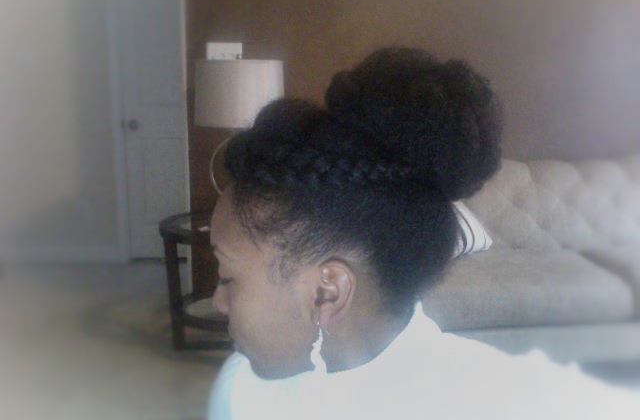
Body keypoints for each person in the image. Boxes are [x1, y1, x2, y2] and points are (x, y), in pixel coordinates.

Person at [207, 47, 640, 419]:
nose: (217, 302)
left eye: (228, 278)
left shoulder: (518, 402)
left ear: (328, 291)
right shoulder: (242, 392)